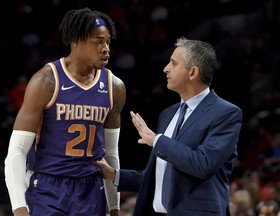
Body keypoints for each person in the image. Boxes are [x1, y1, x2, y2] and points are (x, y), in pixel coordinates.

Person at [93, 37, 243, 215]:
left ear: (193, 72)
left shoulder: (226, 113)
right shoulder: (168, 114)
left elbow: (203, 164)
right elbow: (158, 178)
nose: (165, 68)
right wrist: (114, 175)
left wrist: (157, 140)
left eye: (173, 63)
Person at [4, 7, 126, 216]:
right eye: (98, 42)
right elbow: (16, 151)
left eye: (108, 42)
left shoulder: (114, 86)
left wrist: (114, 206)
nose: (105, 48)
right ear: (76, 41)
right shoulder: (46, 81)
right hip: (47, 186)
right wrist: (19, 207)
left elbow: (111, 154)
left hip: (90, 189)